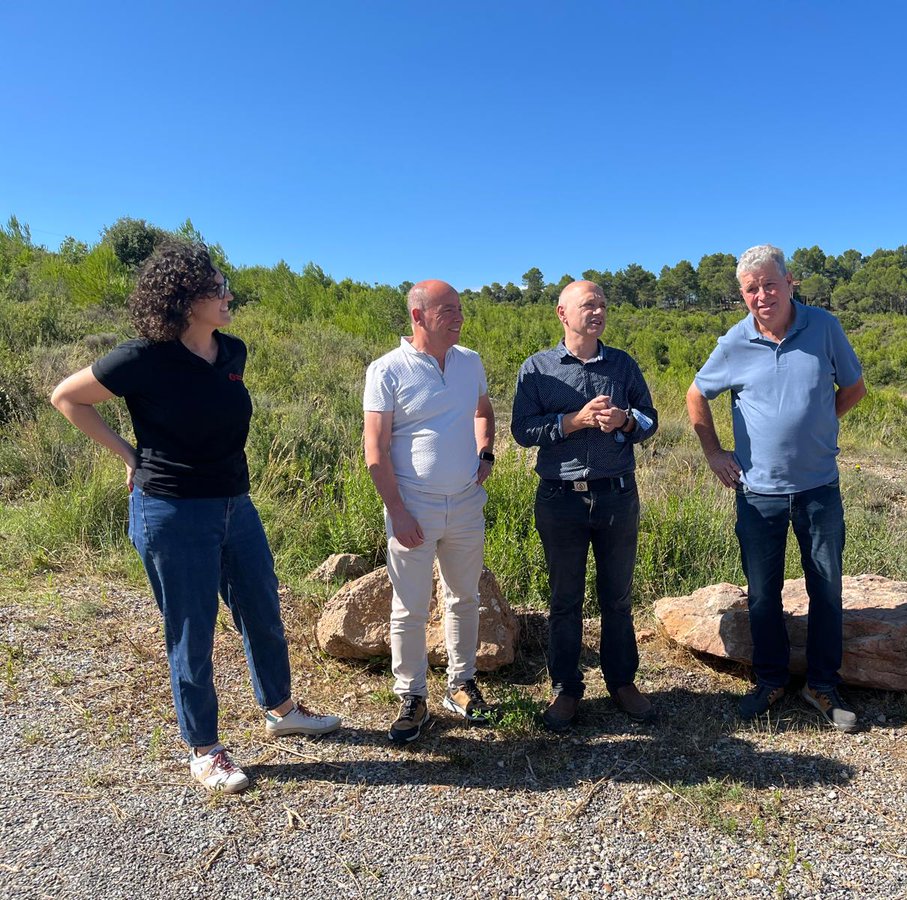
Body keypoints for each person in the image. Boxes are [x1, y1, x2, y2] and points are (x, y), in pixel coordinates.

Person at [50, 240, 341, 795]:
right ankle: (204, 749)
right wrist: (129, 455)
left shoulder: (232, 352)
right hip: (172, 510)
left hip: (235, 503)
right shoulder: (144, 357)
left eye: (226, 285)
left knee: (261, 606)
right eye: (217, 287)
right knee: (192, 629)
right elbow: (67, 397)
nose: (229, 295)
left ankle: (281, 709)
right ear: (184, 298)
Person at [686, 244, 866, 730]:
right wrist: (714, 453)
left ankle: (822, 685)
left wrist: (822, 422)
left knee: (826, 589)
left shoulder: (823, 327)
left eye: (770, 284)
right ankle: (770, 680)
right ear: (742, 294)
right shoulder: (735, 341)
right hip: (758, 494)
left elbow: (854, 387)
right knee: (763, 594)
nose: (762, 295)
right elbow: (696, 394)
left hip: (818, 488)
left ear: (789, 283)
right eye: (751, 288)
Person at [511, 280, 659, 731]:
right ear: (562, 313)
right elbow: (522, 430)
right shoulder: (538, 368)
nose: (598, 312)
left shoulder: (622, 364)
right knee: (564, 599)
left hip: (617, 495)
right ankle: (566, 689)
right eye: (588, 305)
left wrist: (626, 420)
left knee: (617, 597)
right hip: (561, 498)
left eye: (603, 305)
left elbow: (650, 419)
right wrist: (572, 422)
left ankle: (622, 683)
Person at [363, 280, 496, 744]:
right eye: (448, 310)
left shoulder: (470, 361)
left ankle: (461, 685)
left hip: (465, 502)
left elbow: (483, 410)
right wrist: (397, 511)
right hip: (413, 506)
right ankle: (412, 695)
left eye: (459, 308)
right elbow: (375, 450)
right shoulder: (387, 369)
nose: (459, 317)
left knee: (464, 598)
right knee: (410, 607)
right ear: (418, 316)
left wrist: (485, 453)